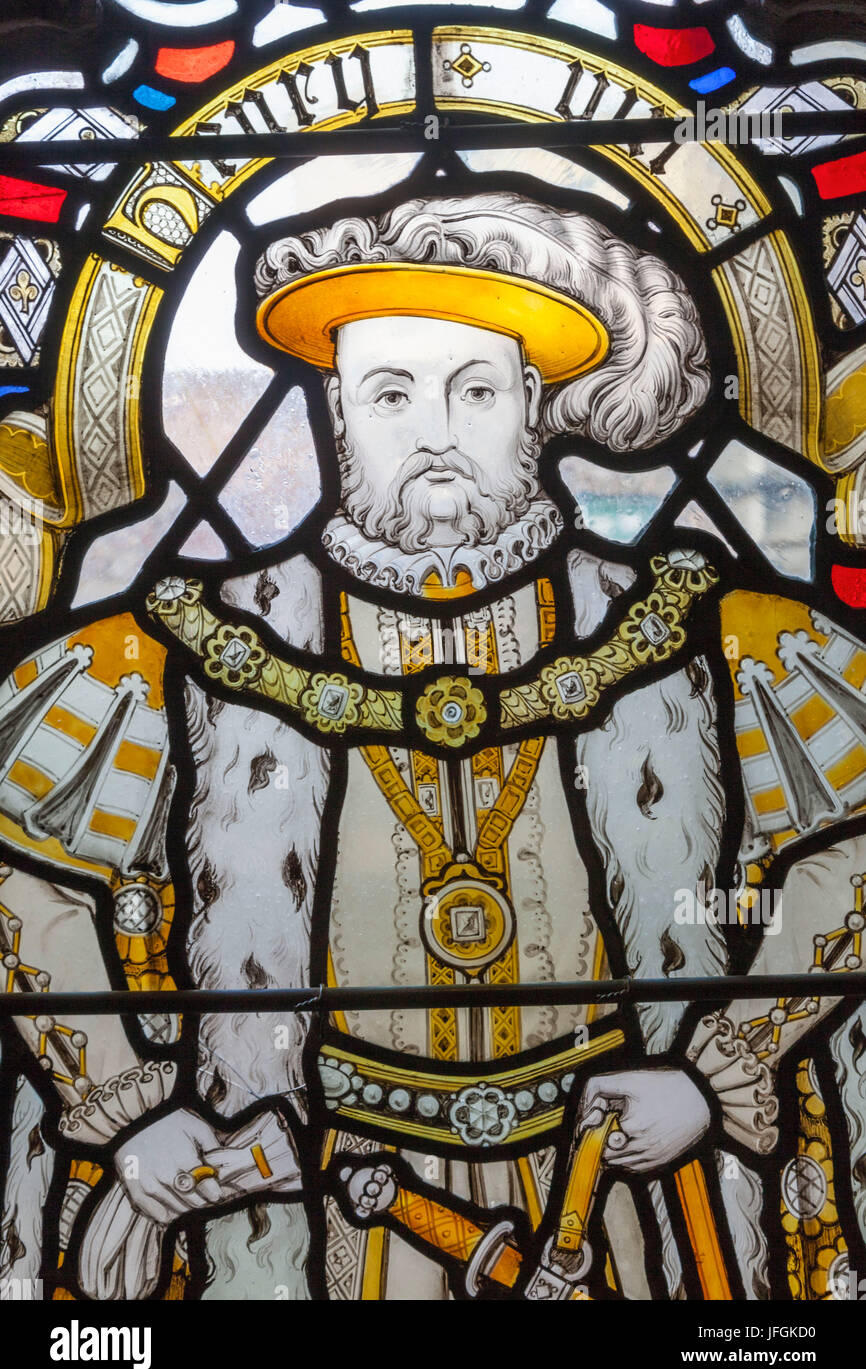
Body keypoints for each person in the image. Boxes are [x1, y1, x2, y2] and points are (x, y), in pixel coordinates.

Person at [1, 192, 863, 1300]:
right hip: (319, 1191)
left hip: (613, 1188)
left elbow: (849, 855)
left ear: (532, 406)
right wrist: (121, 1108)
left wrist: (713, 1069)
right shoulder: (185, 650)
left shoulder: (696, 632)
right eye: (392, 393)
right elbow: (19, 877)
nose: (435, 431)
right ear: (337, 410)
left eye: (474, 390)